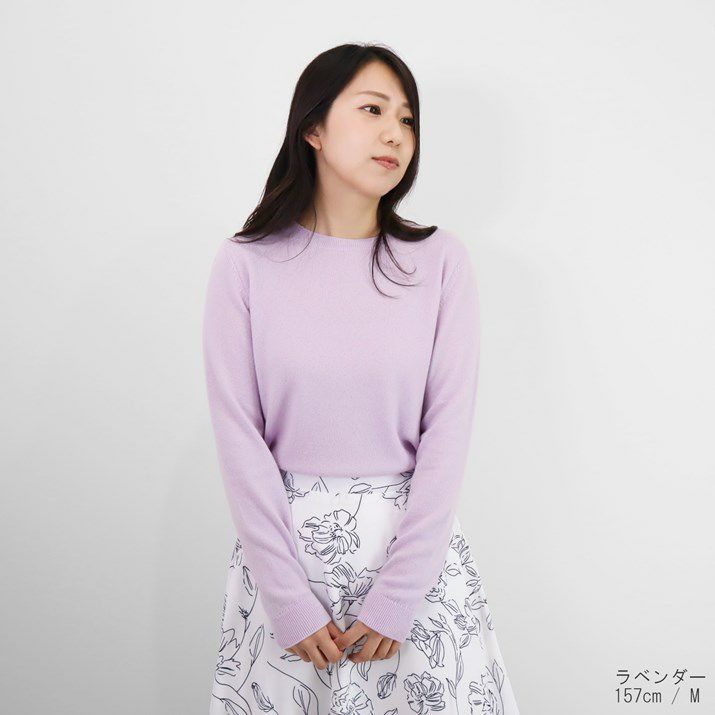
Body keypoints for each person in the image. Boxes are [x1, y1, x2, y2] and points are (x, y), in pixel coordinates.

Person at [202, 42, 521, 714]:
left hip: (416, 565)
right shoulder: (245, 264)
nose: (395, 134)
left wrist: (400, 596)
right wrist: (287, 600)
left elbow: (447, 433)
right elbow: (238, 437)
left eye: (407, 119)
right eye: (373, 110)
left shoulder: (439, 262)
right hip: (285, 567)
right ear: (313, 129)